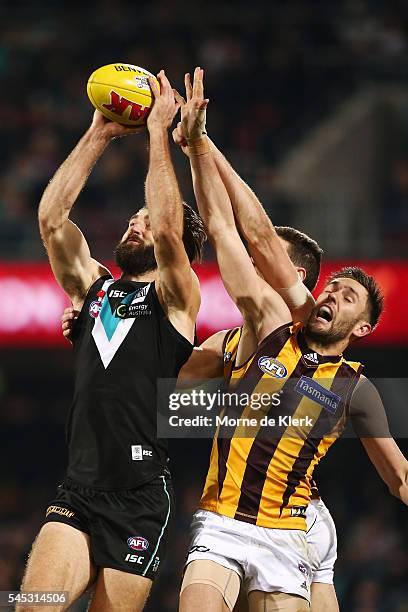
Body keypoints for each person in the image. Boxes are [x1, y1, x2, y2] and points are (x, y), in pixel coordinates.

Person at [177, 67, 408, 612]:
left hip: (292, 534)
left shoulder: (357, 390)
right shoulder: (271, 328)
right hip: (223, 522)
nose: (332, 298)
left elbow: (397, 474)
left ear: (365, 328)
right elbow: (233, 231)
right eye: (332, 289)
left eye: (349, 298)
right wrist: (198, 147)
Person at [20, 70, 206, 612]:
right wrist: (98, 133)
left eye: (145, 222)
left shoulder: (178, 299)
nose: (135, 226)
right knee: (33, 605)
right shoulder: (94, 289)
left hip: (141, 499)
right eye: (133, 218)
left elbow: (172, 231)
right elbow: (52, 219)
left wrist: (156, 133)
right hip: (77, 492)